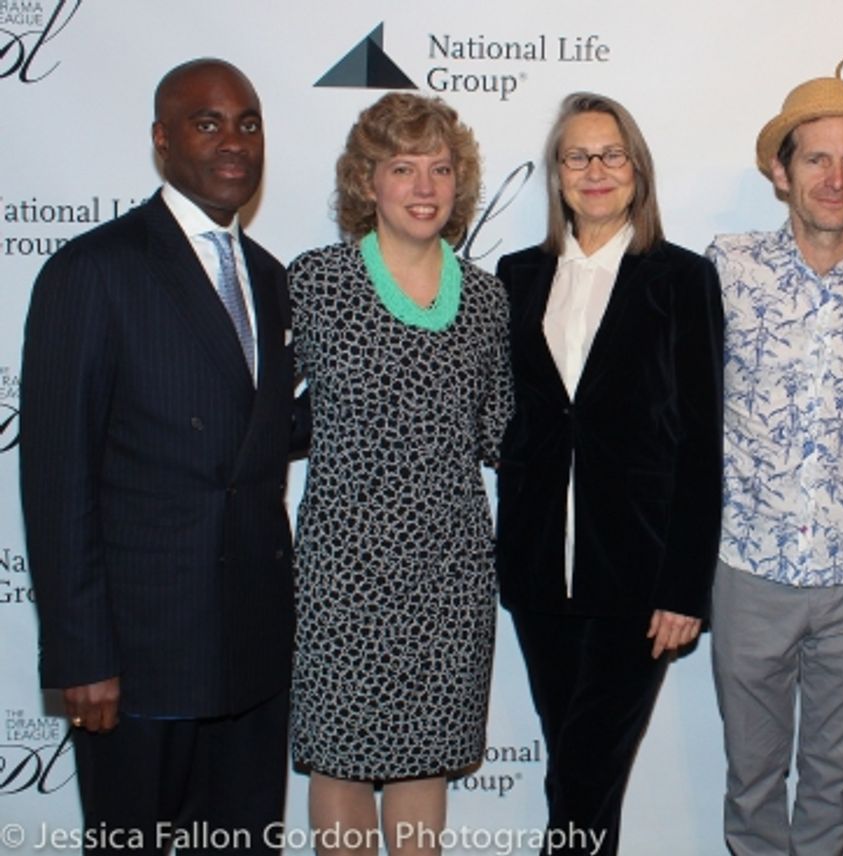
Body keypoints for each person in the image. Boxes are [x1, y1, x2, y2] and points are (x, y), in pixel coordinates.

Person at [20, 58, 297, 853]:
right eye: (207, 123)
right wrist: (81, 656)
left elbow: (259, 439)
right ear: (161, 140)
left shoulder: (271, 279)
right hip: (137, 664)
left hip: (252, 657)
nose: (233, 142)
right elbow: (54, 477)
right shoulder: (93, 270)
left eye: (248, 123)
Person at [494, 92, 723, 856]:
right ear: (557, 176)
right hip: (536, 569)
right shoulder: (516, 276)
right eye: (577, 156)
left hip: (639, 575)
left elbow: (699, 440)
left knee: (588, 770)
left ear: (638, 171)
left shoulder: (682, 279)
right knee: (572, 768)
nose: (595, 170)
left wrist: (684, 587)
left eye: (611, 154)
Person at [287, 93, 512, 855]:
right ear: (367, 182)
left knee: (424, 769)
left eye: (441, 169)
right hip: (341, 578)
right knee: (342, 768)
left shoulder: (485, 298)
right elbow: (259, 419)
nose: (424, 187)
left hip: (447, 581)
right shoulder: (315, 285)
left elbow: (504, 433)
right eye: (402, 168)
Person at [707, 77, 843, 856]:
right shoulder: (727, 269)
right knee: (752, 779)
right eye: (818, 160)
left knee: (834, 780)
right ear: (781, 173)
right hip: (749, 566)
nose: (836, 179)